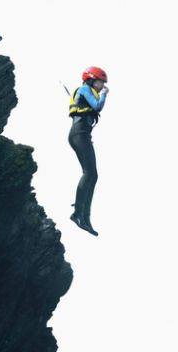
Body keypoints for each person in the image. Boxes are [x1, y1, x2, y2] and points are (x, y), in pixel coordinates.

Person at [68, 66, 109, 236]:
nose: (102, 86)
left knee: (93, 175)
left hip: (82, 134)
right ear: (91, 79)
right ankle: (78, 214)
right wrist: (105, 94)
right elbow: (97, 106)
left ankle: (85, 217)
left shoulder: (88, 90)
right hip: (78, 134)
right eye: (100, 82)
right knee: (89, 172)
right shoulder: (85, 89)